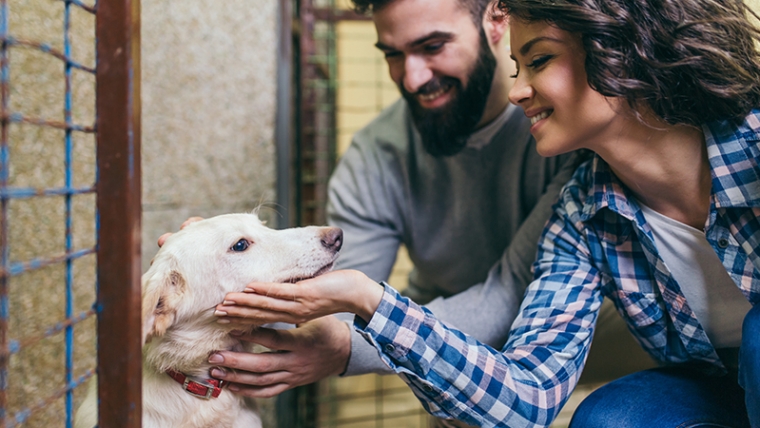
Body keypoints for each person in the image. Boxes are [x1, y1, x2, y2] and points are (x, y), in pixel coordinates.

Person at [213, 0, 760, 426]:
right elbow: (525, 395)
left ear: (618, 46)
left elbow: (504, 294)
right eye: (393, 54)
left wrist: (354, 333)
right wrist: (217, 258)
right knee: (612, 418)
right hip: (707, 375)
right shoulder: (584, 210)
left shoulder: (745, 144)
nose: (522, 89)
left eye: (539, 61)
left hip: (636, 351)